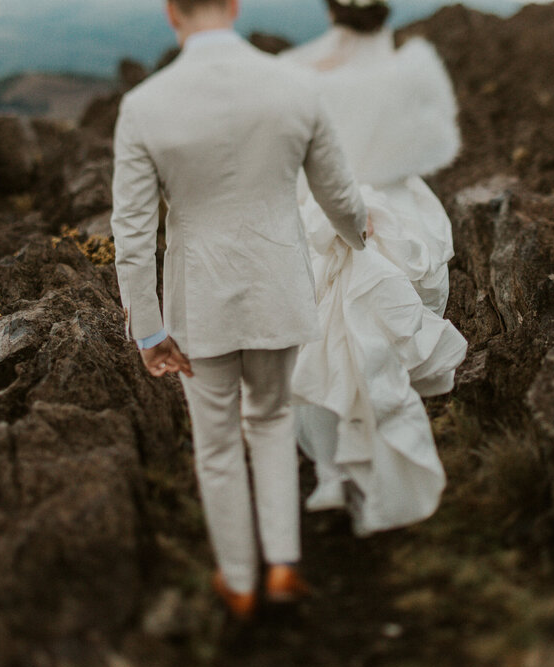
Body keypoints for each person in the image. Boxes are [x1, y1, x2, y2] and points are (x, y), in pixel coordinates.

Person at [111, 0, 372, 619]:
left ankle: (239, 580)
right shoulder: (295, 86)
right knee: (274, 419)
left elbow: (132, 234)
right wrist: (361, 236)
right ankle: (283, 563)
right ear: (233, 6)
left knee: (217, 442)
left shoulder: (144, 106)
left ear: (171, 14)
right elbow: (337, 192)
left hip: (197, 302)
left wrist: (147, 329)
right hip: (277, 285)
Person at [282, 0, 469, 535]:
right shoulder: (412, 69)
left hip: (320, 205)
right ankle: (369, 461)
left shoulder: (301, 73)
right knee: (374, 337)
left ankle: (330, 469)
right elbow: (437, 147)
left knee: (321, 333)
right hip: (393, 211)